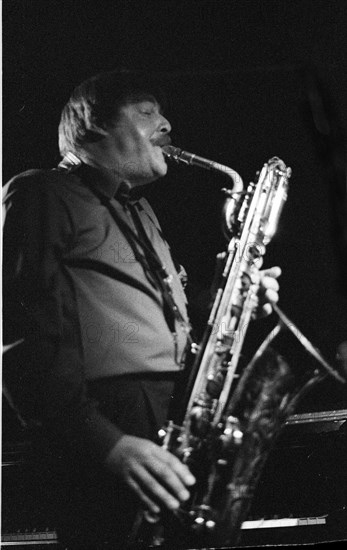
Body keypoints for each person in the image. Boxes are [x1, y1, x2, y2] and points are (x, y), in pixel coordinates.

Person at [2, 70, 281, 549]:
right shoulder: (41, 192)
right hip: (110, 420)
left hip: (170, 411)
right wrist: (108, 446)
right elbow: (23, 340)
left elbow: (152, 318)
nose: (167, 123)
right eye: (147, 112)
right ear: (93, 125)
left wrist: (230, 296)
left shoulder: (141, 210)